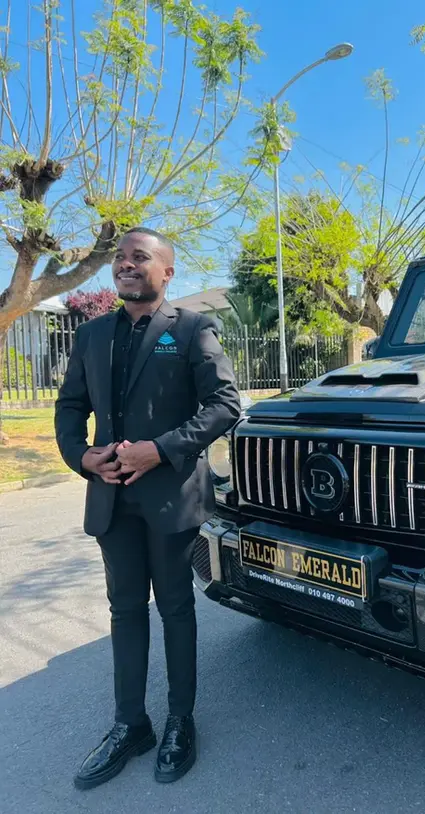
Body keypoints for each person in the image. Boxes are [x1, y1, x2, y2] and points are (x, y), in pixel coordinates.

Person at [55, 227, 241, 790]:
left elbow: (224, 404)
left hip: (169, 499)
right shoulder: (91, 335)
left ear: (167, 272)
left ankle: (180, 721)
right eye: (120, 257)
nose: (126, 265)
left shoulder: (190, 329)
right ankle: (130, 724)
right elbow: (70, 407)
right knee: (125, 609)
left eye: (140, 257)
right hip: (111, 499)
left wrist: (159, 449)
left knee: (176, 609)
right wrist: (82, 457)